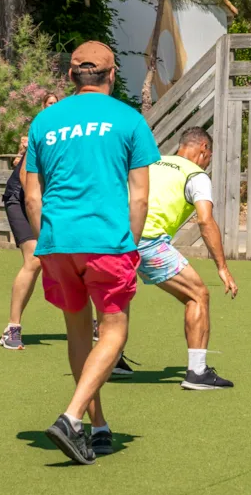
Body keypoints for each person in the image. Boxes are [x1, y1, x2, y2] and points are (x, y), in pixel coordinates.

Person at [24, 40, 158, 464]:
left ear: (69, 76)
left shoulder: (44, 121)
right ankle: (72, 416)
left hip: (58, 242)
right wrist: (131, 246)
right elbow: (139, 197)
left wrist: (46, 243)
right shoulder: (129, 119)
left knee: (79, 333)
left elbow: (32, 196)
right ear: (112, 75)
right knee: (114, 331)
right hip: (107, 241)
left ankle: (97, 429)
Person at [133, 126, 238, 390]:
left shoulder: (152, 163)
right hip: (148, 242)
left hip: (117, 240)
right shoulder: (196, 175)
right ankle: (197, 373)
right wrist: (222, 268)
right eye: (210, 155)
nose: (209, 160)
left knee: (116, 296)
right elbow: (205, 221)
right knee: (198, 295)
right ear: (203, 149)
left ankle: (111, 360)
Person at [0, 92, 59, 350]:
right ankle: (12, 328)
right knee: (34, 260)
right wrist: (37, 210)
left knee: (73, 257)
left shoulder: (68, 135)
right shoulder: (41, 132)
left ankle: (89, 320)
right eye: (49, 104)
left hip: (47, 201)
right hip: (21, 199)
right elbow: (25, 177)